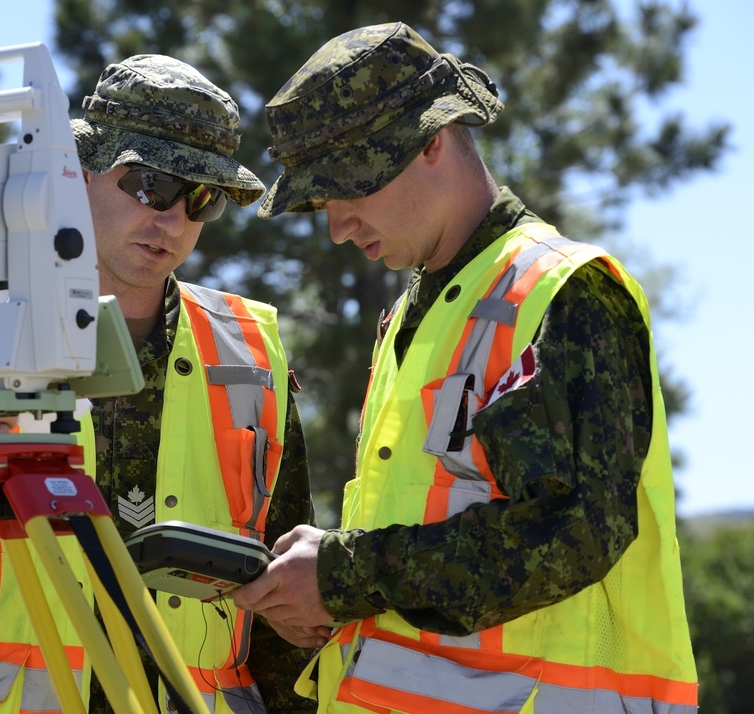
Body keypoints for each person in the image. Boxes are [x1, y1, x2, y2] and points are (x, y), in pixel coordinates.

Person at [0, 55, 317, 714]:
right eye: (151, 186)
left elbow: (284, 620)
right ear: (76, 170)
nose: (173, 221)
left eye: (202, 199)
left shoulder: (249, 352)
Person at [232, 21, 698, 713]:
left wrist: (346, 572)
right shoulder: (416, 318)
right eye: (319, 201)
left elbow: (573, 533)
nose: (335, 226)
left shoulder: (563, 290)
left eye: (346, 188)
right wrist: (328, 580)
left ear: (432, 141)